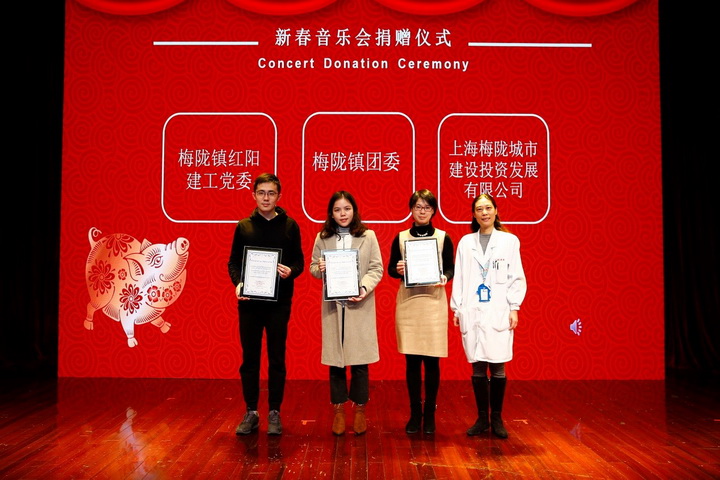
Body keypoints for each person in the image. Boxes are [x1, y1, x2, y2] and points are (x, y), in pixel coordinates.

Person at [228, 173, 304, 436]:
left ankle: (274, 412)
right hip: (249, 303)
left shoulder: (290, 226)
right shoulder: (244, 227)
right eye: (261, 193)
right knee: (249, 359)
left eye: (271, 193)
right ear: (254, 195)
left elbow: (299, 262)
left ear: (279, 196)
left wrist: (290, 271)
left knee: (276, 358)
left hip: (279, 303)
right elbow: (233, 262)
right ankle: (251, 412)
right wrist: (239, 283)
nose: (266, 198)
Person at [450, 193, 527, 439]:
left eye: (488, 208)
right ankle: (482, 417)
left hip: (498, 308)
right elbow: (460, 277)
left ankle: (497, 418)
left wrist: (514, 306)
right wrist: (457, 308)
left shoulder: (509, 241)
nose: (484, 213)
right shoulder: (466, 242)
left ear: (496, 210)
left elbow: (516, 276)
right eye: (479, 209)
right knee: (478, 366)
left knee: (498, 365)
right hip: (472, 309)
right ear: (474, 215)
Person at [309, 191, 383, 436]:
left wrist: (363, 287)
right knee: (336, 362)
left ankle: (360, 410)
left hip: (359, 304)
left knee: (360, 361)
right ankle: (339, 411)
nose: (343, 214)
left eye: (347, 209)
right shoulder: (323, 237)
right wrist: (320, 268)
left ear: (354, 210)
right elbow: (313, 268)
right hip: (334, 306)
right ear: (331, 213)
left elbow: (376, 268)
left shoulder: (368, 236)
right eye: (338, 210)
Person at [387, 189, 454, 434]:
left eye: (427, 207)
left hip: (433, 303)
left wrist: (445, 276)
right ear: (411, 210)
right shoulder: (401, 237)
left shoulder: (443, 237)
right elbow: (391, 269)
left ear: (433, 210)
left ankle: (430, 415)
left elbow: (450, 268)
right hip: (409, 303)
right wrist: (399, 269)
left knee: (432, 361)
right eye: (418, 207)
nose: (422, 211)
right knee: (412, 362)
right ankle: (415, 413)